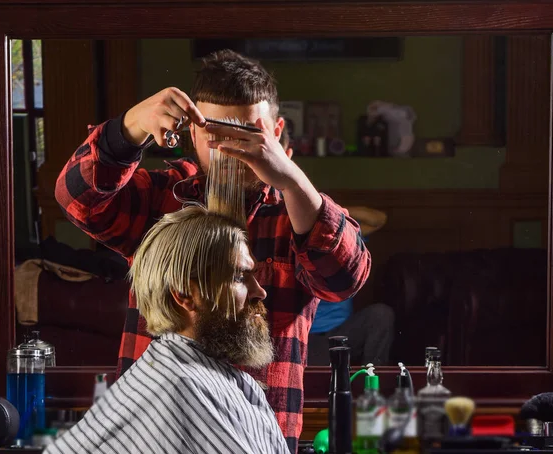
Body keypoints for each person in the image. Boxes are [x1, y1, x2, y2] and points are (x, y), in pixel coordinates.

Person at [55, 49, 371, 452]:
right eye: (215, 130)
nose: (228, 146)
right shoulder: (161, 200)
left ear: (276, 131)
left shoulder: (298, 213)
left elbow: (344, 278)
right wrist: (130, 126)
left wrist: (292, 182)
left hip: (257, 435)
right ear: (191, 132)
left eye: (246, 131)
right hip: (157, 433)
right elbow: (77, 199)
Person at [44, 206, 290, 454]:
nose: (260, 291)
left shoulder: (215, 378)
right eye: (238, 277)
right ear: (184, 294)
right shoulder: (181, 387)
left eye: (253, 275)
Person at [307, 206, 395, 366]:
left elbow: (379, 219)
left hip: (343, 333)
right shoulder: (295, 244)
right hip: (307, 337)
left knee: (381, 315)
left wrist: (329, 208)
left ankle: (372, 382)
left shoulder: (342, 237)